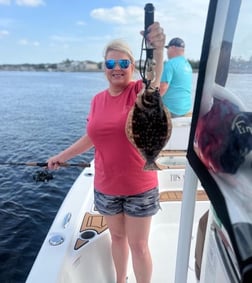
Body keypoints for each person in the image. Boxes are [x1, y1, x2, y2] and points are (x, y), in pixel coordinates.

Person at [47, 22, 165, 283]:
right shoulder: (97, 99)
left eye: (123, 63)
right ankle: (120, 279)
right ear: (104, 69)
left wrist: (157, 50)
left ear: (132, 67)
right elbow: (92, 136)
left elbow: (154, 81)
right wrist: (62, 156)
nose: (117, 69)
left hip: (140, 184)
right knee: (117, 238)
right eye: (110, 64)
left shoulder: (138, 92)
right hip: (106, 184)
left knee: (139, 245)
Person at [160, 37, 193, 117]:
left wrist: (151, 100)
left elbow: (163, 88)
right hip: (186, 109)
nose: (167, 52)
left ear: (173, 48)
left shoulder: (170, 64)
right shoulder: (188, 65)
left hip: (171, 110)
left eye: (168, 49)